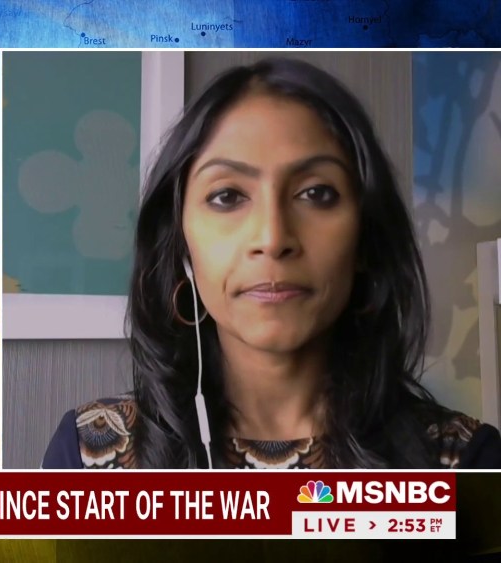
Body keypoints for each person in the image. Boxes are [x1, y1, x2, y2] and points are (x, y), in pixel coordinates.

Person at [42, 58, 501, 469]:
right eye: (227, 196)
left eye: (316, 193)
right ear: (180, 244)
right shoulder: (87, 455)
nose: (273, 238)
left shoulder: (465, 460)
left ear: (365, 236)